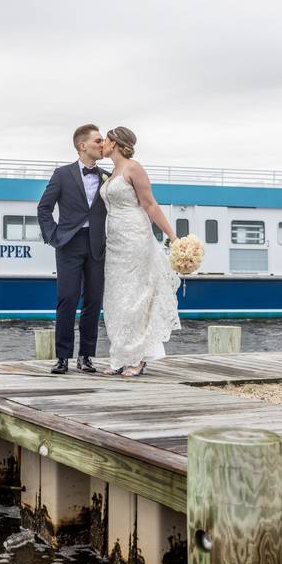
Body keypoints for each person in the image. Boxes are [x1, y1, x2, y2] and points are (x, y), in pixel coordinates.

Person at [98, 127, 181, 376]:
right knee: (116, 299)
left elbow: (150, 205)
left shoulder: (133, 168)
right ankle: (120, 357)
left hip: (135, 237)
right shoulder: (112, 173)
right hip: (115, 243)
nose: (101, 144)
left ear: (113, 143)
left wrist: (173, 236)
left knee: (136, 297)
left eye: (105, 140)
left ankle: (138, 358)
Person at [37, 124, 108, 374]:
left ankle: (86, 356)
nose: (102, 145)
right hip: (68, 243)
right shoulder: (62, 174)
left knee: (93, 300)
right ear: (83, 145)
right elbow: (44, 208)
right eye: (98, 141)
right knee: (67, 298)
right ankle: (62, 357)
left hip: (97, 244)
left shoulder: (107, 176)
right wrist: (53, 235)